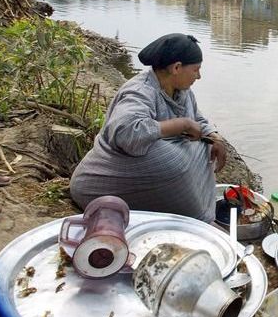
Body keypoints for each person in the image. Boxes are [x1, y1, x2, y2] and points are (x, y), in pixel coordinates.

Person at [70, 33, 226, 223]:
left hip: (151, 178)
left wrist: (214, 136)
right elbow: (126, 133)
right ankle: (191, 216)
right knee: (174, 160)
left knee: (205, 147)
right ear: (177, 68)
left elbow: (198, 118)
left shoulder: (183, 92)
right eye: (196, 70)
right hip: (100, 187)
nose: (199, 76)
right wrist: (181, 125)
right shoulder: (139, 91)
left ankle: (197, 214)